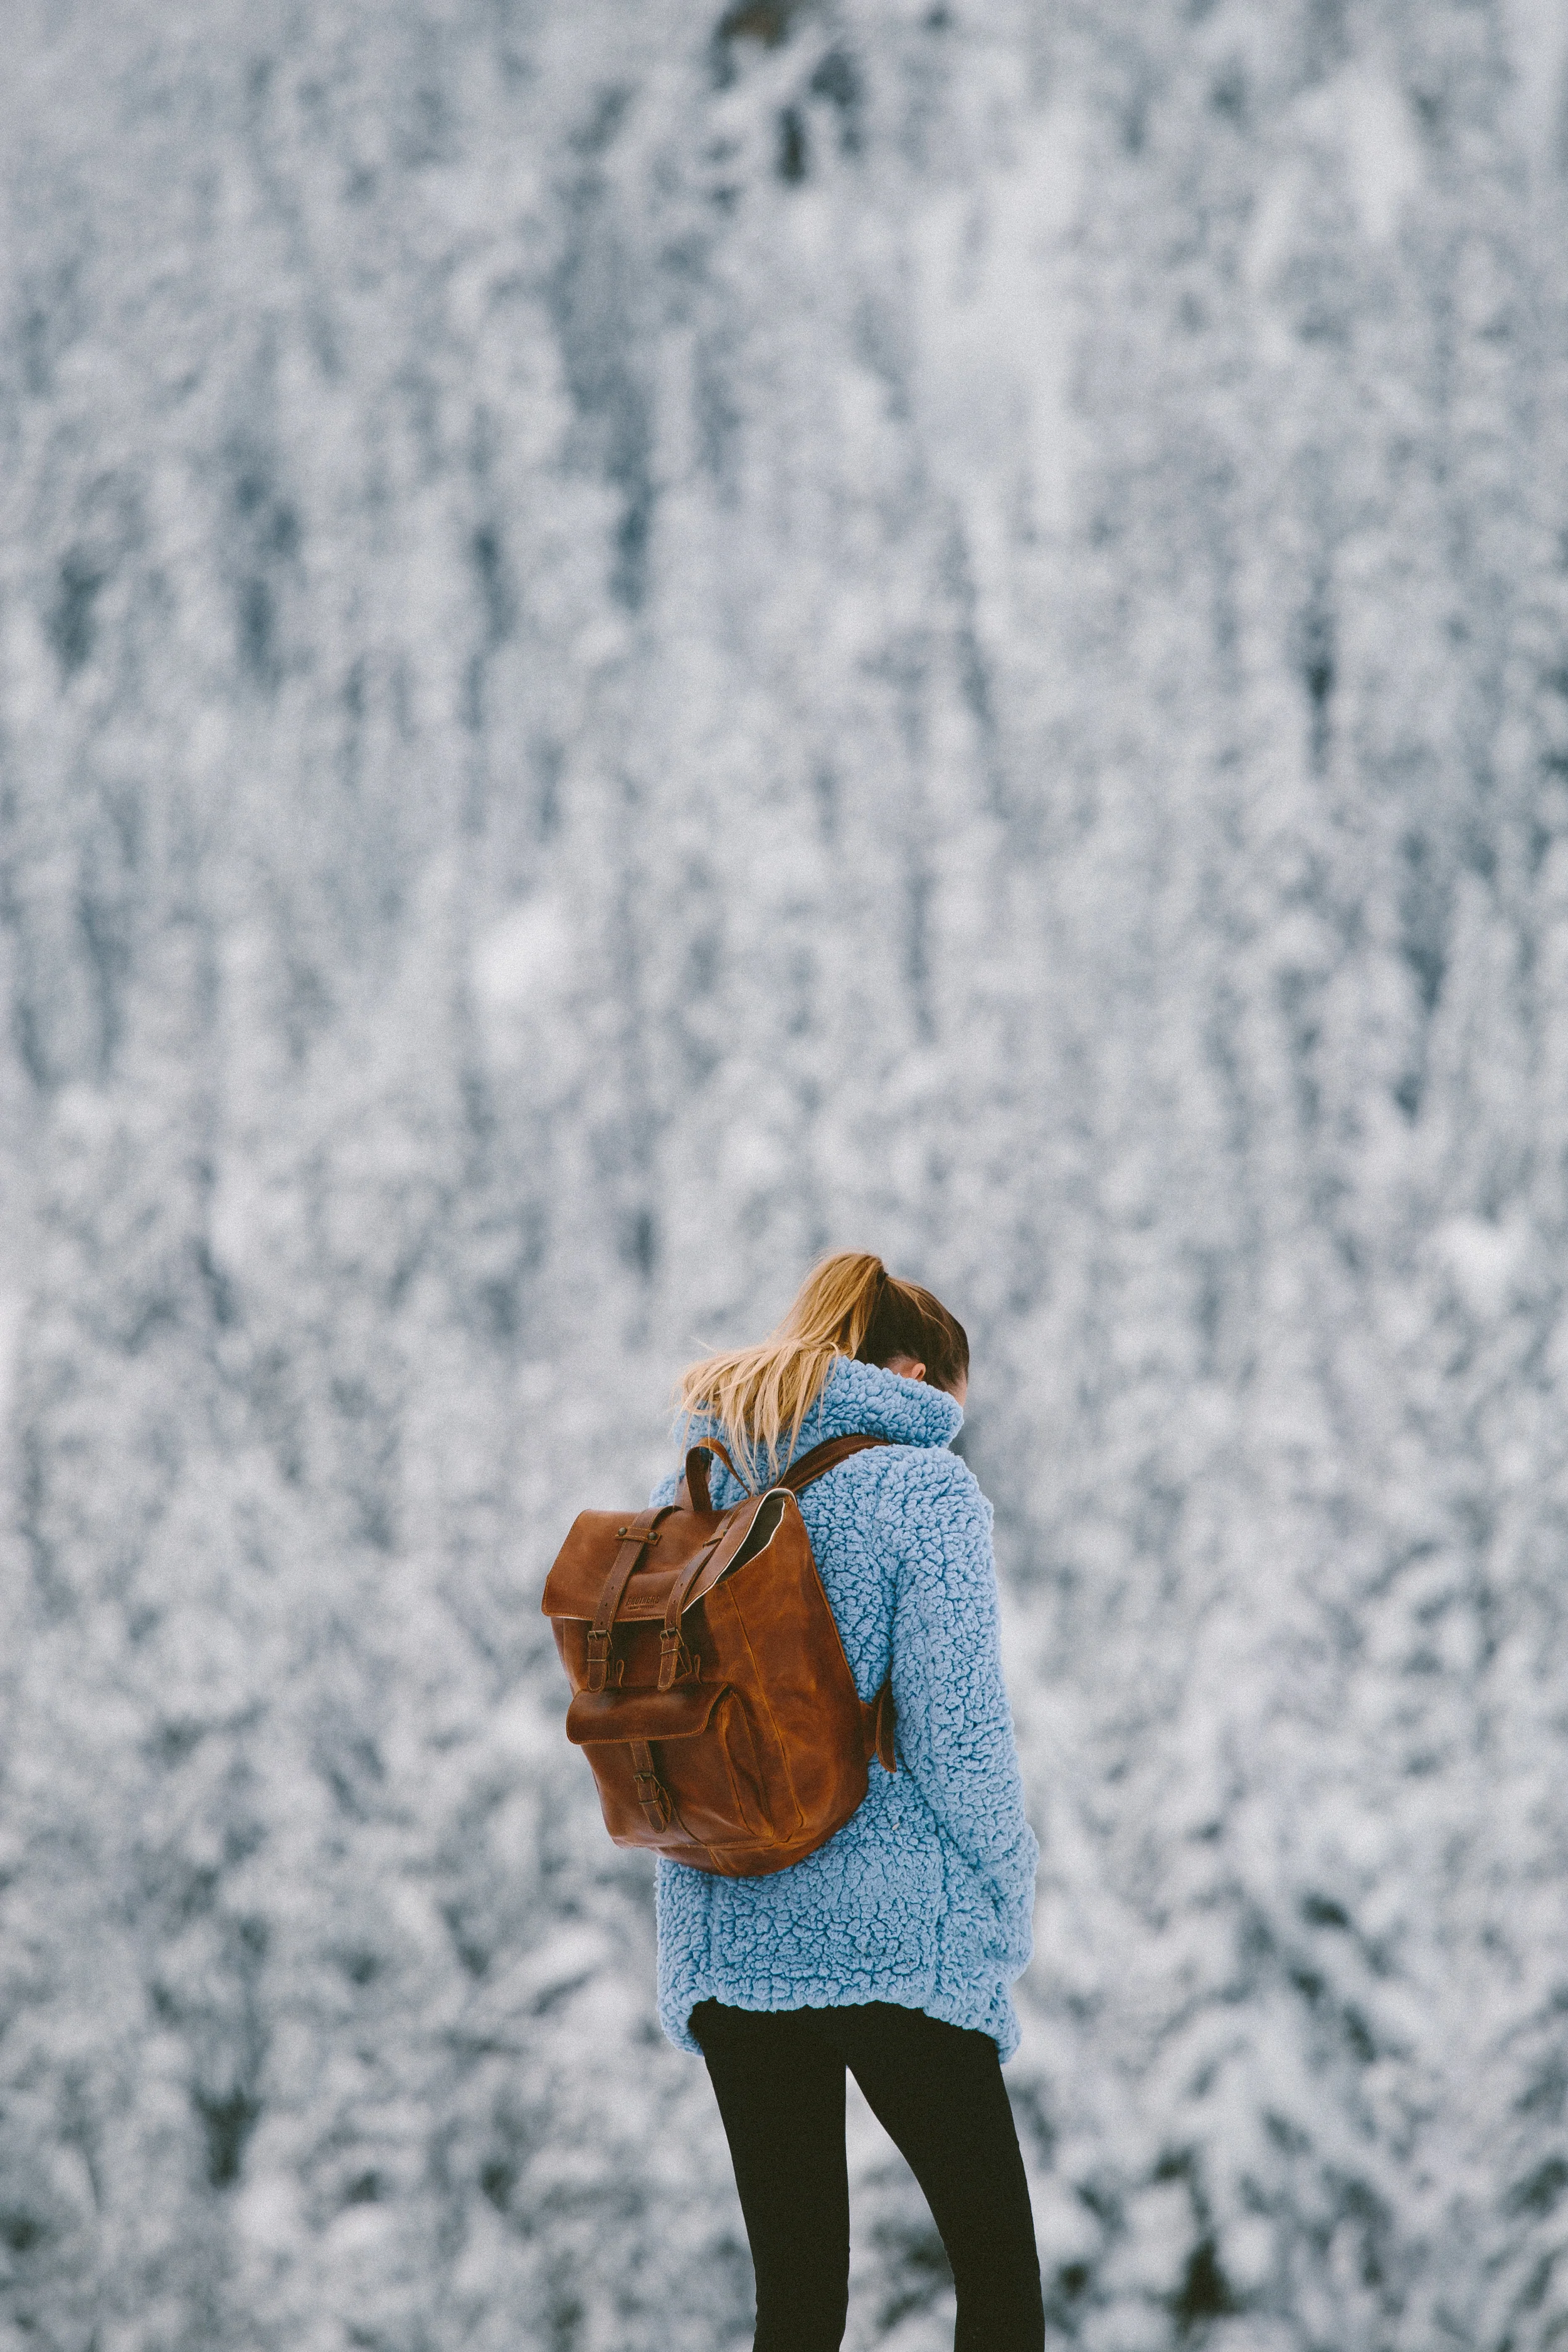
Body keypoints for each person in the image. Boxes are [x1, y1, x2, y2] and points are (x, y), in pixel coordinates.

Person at [649, 1251, 1044, 2352]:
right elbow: (960, 1739)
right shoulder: (923, 1488)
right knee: (1001, 2288)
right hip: (891, 1943)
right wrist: (1008, 1900)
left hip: (728, 1936)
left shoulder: (699, 1477)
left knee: (800, 2305)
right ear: (915, 1370)